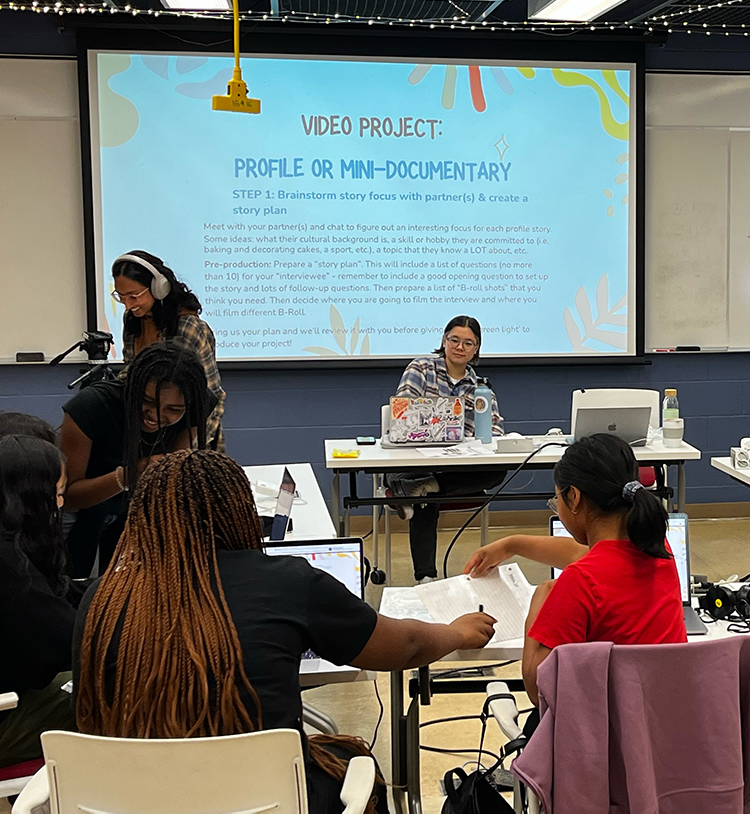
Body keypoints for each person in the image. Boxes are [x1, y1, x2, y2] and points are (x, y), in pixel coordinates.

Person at [74, 450, 496, 814]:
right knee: (354, 761)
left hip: (135, 799)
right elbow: (405, 646)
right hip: (263, 797)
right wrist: (455, 633)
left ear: (143, 518)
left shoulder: (102, 598)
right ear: (240, 510)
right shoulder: (286, 582)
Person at [462, 432, 687, 703]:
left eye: (556, 499)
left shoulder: (579, 580)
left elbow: (539, 690)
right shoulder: (658, 548)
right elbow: (587, 555)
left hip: (602, 725)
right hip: (662, 716)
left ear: (574, 497)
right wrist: (512, 545)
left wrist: (541, 598)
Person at [60, 342, 211, 577]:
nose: (156, 416)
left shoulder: (198, 404)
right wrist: (129, 475)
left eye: (173, 410)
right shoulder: (91, 407)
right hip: (81, 512)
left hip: (134, 513)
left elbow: (175, 467)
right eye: (148, 401)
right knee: (77, 580)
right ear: (132, 388)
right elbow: (68, 498)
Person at [388, 315, 505, 583]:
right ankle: (426, 577)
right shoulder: (421, 368)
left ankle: (418, 488)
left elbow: (495, 428)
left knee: (497, 472)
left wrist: (481, 442)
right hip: (417, 456)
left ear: (476, 348)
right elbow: (402, 413)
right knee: (425, 491)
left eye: (468, 343)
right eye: (454, 340)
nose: (460, 347)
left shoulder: (480, 387)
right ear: (444, 341)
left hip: (456, 463)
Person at [0, 432, 77, 768]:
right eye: (57, 495)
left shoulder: (10, 551)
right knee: (124, 693)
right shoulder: (9, 570)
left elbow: (53, 595)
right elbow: (70, 640)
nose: (60, 506)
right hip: (6, 714)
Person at [111, 250, 225, 450]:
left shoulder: (189, 328)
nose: (128, 306)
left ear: (159, 288)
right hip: (148, 435)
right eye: (121, 297)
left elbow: (212, 398)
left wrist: (185, 452)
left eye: (134, 296)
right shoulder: (133, 320)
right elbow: (131, 372)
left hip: (188, 439)